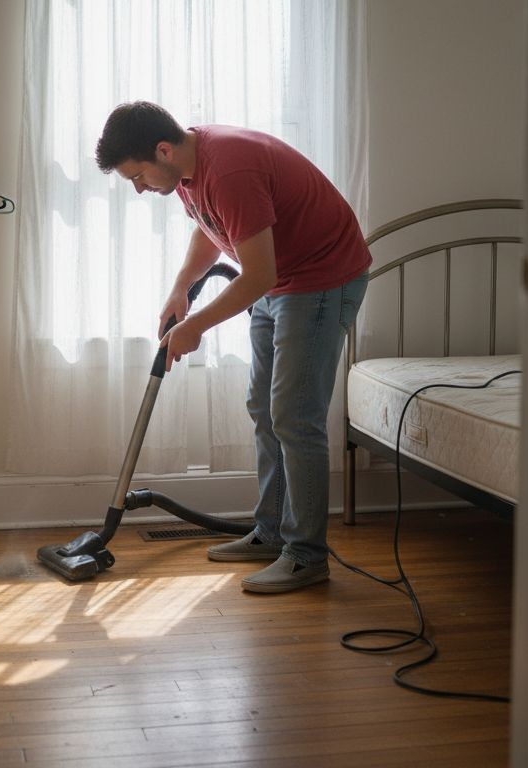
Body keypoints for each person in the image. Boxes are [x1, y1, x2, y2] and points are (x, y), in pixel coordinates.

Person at [95, 101, 371, 593]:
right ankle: (271, 534)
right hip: (279, 280)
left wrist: (195, 325)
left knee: (294, 415)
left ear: (162, 150)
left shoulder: (229, 169)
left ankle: (306, 556)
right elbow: (211, 228)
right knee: (263, 408)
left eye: (137, 177)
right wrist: (182, 286)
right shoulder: (186, 168)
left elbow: (257, 272)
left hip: (321, 279)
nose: (138, 189)